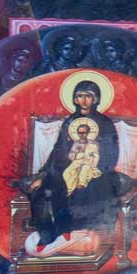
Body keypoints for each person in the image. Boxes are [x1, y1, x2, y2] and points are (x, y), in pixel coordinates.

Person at [21, 80, 127, 248]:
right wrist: (43, 175)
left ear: (96, 99)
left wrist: (96, 168)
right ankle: (51, 233)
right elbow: (59, 151)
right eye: (79, 96)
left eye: (88, 96)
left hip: (97, 169)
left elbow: (111, 151)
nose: (84, 100)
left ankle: (90, 237)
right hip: (68, 168)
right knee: (43, 189)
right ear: (75, 100)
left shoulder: (104, 123)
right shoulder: (70, 121)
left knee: (96, 188)